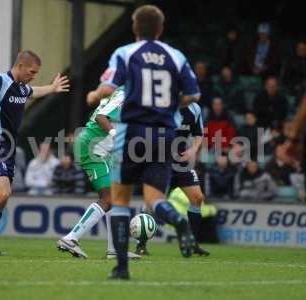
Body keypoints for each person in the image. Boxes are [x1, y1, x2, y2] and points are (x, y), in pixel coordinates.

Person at [87, 5, 200, 279]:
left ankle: (121, 267)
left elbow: (108, 88)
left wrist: (93, 95)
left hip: (133, 132)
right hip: (165, 134)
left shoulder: (125, 53)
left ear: (135, 28)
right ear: (161, 30)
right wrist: (173, 103)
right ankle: (179, 223)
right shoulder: (176, 56)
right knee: (155, 198)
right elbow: (194, 95)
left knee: (121, 198)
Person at [0, 48, 69, 255]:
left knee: (3, 197)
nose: (33, 76)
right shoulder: (0, 82)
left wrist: (52, 88)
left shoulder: (22, 88)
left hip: (8, 149)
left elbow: (35, 91)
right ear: (20, 66)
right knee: (2, 193)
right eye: (32, 72)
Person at [57, 87, 139, 259]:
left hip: (102, 150)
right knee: (109, 198)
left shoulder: (126, 92)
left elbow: (102, 105)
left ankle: (114, 250)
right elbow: (102, 116)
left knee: (115, 200)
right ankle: (71, 238)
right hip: (93, 148)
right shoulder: (126, 94)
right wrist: (114, 133)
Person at [136, 102, 210, 257]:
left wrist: (193, 150)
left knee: (197, 198)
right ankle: (140, 244)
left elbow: (198, 134)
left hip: (182, 162)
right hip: (161, 161)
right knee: (152, 203)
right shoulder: (162, 105)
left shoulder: (195, 108)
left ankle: (192, 242)